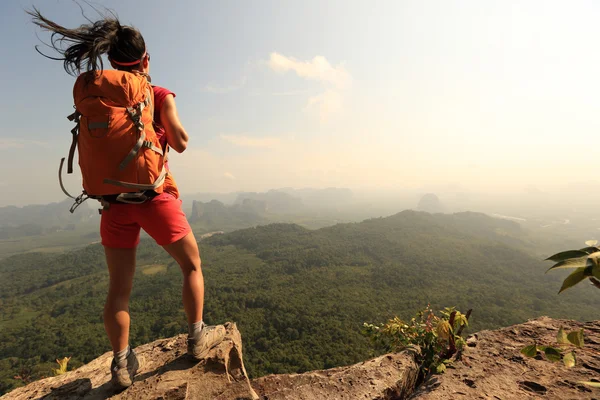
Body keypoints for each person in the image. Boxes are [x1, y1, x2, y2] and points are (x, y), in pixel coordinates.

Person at [28, 7, 226, 390]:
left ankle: (120, 365)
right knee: (191, 266)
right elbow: (181, 143)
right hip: (154, 199)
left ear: (110, 60)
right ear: (145, 59)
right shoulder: (156, 92)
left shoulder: (99, 92)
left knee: (119, 289)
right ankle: (198, 338)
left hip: (113, 204)